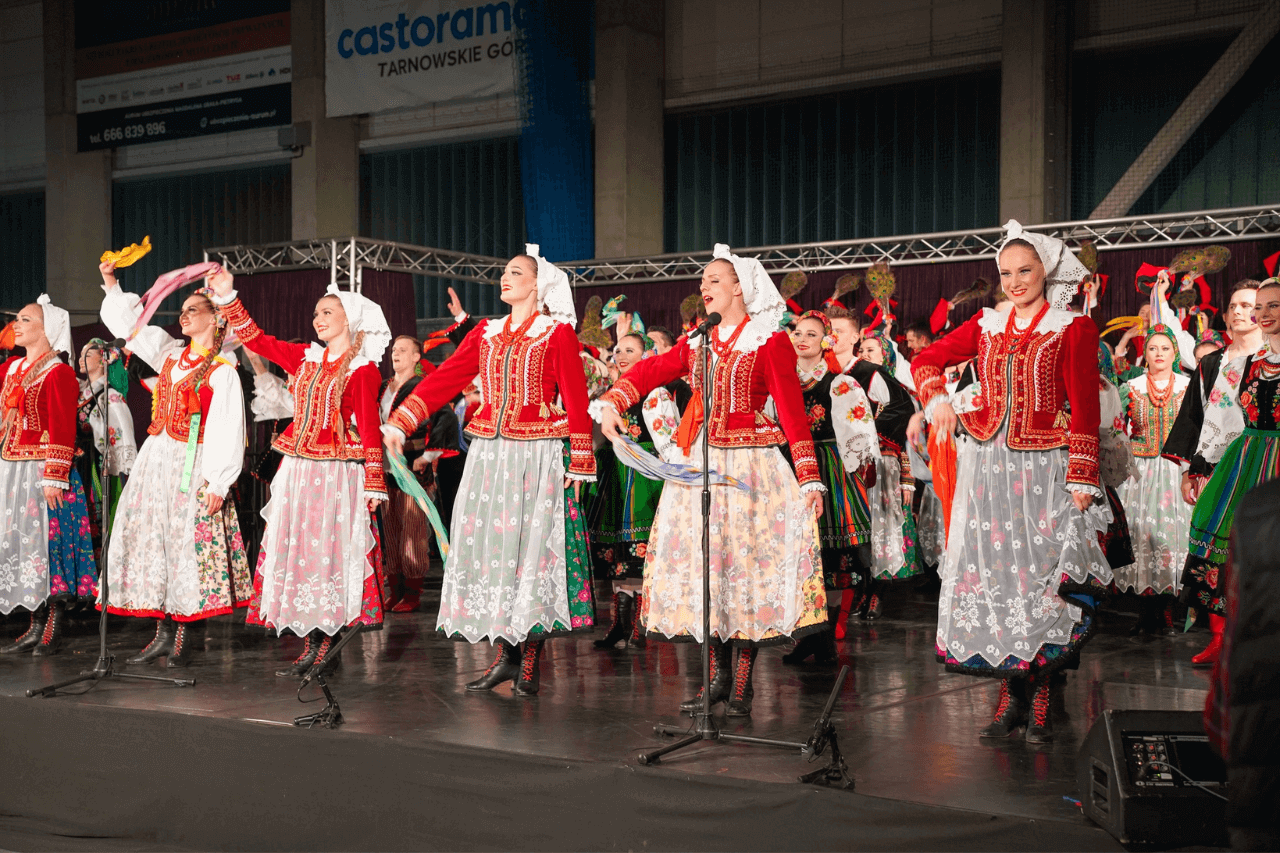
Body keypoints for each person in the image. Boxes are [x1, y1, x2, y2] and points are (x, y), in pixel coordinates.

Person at [596, 244, 827, 717]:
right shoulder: (699, 340)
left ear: (740, 287)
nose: (704, 288)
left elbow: (791, 410)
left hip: (750, 470)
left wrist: (808, 478)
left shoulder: (769, 339)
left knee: (744, 573)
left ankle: (740, 682)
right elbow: (652, 368)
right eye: (702, 281)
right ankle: (719, 677)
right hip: (701, 465)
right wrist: (612, 402)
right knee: (711, 574)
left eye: (714, 280)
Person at [908, 220, 1111, 744]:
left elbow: (1084, 409)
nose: (1016, 282)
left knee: (1040, 582)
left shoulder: (1072, 327)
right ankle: (1009, 697)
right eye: (1006, 273)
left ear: (1045, 271)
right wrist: (937, 401)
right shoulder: (986, 325)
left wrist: (1083, 475)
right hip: (988, 469)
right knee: (997, 580)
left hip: (1045, 470)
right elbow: (926, 358)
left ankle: (1040, 699)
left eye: (1025, 271)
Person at [383, 246, 596, 696]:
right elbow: (445, 378)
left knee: (529, 554)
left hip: (535, 454)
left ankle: (530, 661)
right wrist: (402, 422)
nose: (505, 277)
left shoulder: (556, 334)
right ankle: (505, 656)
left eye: (516, 272)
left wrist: (580, 461)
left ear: (537, 284)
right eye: (503, 271)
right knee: (494, 552)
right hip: (491, 458)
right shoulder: (487, 332)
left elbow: (576, 398)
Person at [207, 274, 391, 677]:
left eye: (328, 312)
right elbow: (256, 339)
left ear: (350, 318)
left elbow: (370, 429)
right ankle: (312, 642)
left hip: (337, 476)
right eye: (315, 313)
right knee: (302, 556)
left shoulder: (362, 370)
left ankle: (328, 643)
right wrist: (227, 296)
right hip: (298, 472)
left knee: (328, 558)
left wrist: (375, 481)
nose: (318, 319)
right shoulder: (305, 358)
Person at [98, 266, 250, 667]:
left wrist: (218, 482)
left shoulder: (223, 371)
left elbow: (227, 428)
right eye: (181, 310)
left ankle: (186, 631)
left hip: (192, 462)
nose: (183, 316)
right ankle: (164, 630)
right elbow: (131, 325)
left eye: (193, 310)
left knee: (187, 545)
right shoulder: (168, 353)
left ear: (215, 318)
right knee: (156, 540)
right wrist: (112, 284)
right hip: (157, 460)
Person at [1176, 278, 1280, 667]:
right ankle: (1224, 639)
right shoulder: (1244, 365)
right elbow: (1216, 419)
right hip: (1246, 457)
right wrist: (1196, 466)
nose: (1264, 314)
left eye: (1274, 306)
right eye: (1262, 307)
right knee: (1222, 535)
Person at [0, 296, 97, 655]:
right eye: (17, 320)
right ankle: (34, 621)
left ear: (47, 329)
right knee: (21, 544)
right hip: (11, 467)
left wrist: (56, 474)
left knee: (46, 543)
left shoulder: (58, 372)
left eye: (25, 319)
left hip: (42, 470)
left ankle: (53, 622)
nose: (17, 325)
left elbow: (61, 423)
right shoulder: (11, 369)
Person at [781, 311, 878, 665]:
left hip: (831, 473)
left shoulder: (840, 385)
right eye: (797, 333)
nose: (802, 338)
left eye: (811, 334)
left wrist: (859, 476)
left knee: (831, 559)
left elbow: (861, 438)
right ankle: (811, 635)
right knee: (803, 559)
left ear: (825, 342)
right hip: (791, 471)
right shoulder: (783, 382)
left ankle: (824, 639)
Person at [587, 332, 691, 649]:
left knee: (639, 548)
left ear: (647, 355)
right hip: (617, 472)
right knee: (620, 550)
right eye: (618, 350)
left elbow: (671, 439)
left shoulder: (656, 392)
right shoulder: (611, 395)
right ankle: (621, 621)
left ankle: (639, 624)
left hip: (644, 473)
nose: (620, 355)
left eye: (629, 350)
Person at [1115, 325, 1191, 634]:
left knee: (1171, 538)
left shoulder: (1188, 386)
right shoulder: (1131, 387)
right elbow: (1117, 429)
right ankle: (1146, 610)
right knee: (1143, 537)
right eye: (1152, 348)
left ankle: (1169, 608)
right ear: (1144, 354)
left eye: (1165, 349)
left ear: (1175, 353)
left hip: (1175, 470)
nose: (1158, 354)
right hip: (1141, 473)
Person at [842, 324, 919, 621]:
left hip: (884, 463)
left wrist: (907, 481)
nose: (866, 355)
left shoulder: (886, 385)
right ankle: (860, 591)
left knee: (880, 530)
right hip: (854, 465)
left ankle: (876, 592)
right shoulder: (849, 378)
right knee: (860, 531)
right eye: (864, 351)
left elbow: (902, 441)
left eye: (872, 351)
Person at [378, 335, 459, 613]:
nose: (396, 354)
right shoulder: (384, 388)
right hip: (386, 468)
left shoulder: (422, 386)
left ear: (416, 357)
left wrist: (427, 456)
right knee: (390, 529)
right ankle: (395, 590)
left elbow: (446, 418)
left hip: (412, 466)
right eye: (393, 350)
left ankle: (412, 593)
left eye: (403, 350)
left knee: (412, 530)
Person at [1163, 282, 1263, 503]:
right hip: (1215, 468)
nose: (1237, 311)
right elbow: (1193, 415)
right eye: (1232, 306)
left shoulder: (1272, 361)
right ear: (1225, 316)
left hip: (1264, 465)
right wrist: (1187, 471)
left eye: (1247, 305)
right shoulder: (1210, 363)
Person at [75, 338, 137, 565]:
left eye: (87, 354)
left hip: (97, 463)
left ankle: (102, 574)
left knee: (99, 517)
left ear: (103, 359)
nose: (81, 358)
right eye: (80, 353)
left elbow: (122, 437)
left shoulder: (109, 395)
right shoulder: (79, 391)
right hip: (77, 464)